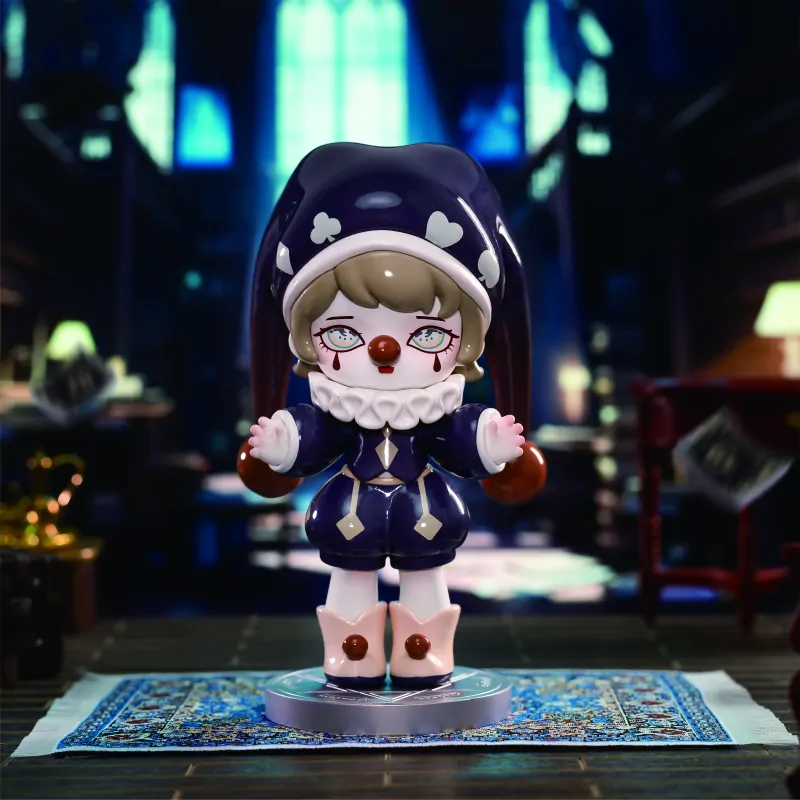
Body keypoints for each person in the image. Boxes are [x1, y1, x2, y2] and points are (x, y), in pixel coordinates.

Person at [240, 142, 545, 689]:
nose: (384, 349)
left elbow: (455, 437)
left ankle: (423, 658)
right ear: (306, 338)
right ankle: (350, 658)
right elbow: (316, 437)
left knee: (426, 580)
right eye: (344, 333)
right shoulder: (340, 409)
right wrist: (284, 442)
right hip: (351, 508)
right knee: (349, 579)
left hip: (423, 508)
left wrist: (488, 441)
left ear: (466, 342)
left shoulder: (432, 409)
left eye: (426, 334)